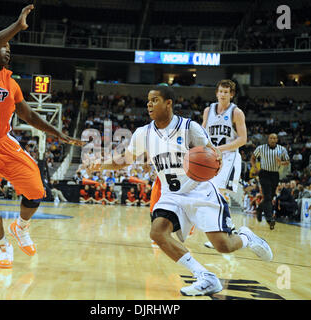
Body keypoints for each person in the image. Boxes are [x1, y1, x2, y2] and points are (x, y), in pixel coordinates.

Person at [87, 86, 273, 296]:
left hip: (201, 192)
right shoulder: (143, 133)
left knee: (224, 246)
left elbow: (212, 153)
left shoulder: (190, 128)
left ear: (169, 103)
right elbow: (125, 160)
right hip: (172, 195)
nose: (149, 104)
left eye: (155, 100)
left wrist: (217, 160)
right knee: (157, 232)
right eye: (148, 101)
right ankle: (205, 276)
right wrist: (101, 164)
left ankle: (247, 237)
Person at [0, 4, 84, 269]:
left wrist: (57, 133)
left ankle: (21, 227)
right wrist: (17, 27)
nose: (8, 53)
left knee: (37, 192)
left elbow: (28, 115)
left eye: (10, 50)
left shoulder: (11, 83)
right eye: (5, 48)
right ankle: (4, 248)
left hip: (2, 143)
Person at [201, 79, 247, 248]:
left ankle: (226, 230)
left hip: (229, 158)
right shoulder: (208, 110)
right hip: (213, 157)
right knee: (210, 193)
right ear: (216, 93)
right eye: (220, 91)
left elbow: (243, 139)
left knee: (218, 193)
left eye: (226, 92)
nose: (223, 95)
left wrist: (220, 148)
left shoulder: (237, 112)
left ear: (231, 94)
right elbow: (202, 132)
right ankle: (228, 229)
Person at [251, 133, 290, 230]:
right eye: (271, 138)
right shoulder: (261, 148)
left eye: (275, 138)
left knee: (270, 197)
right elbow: (253, 157)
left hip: (275, 174)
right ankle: (269, 219)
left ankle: (259, 209)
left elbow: (287, 161)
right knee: (267, 196)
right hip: (264, 173)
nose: (273, 140)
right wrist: (255, 167)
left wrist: (281, 162)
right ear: (268, 139)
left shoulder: (282, 149)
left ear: (277, 140)